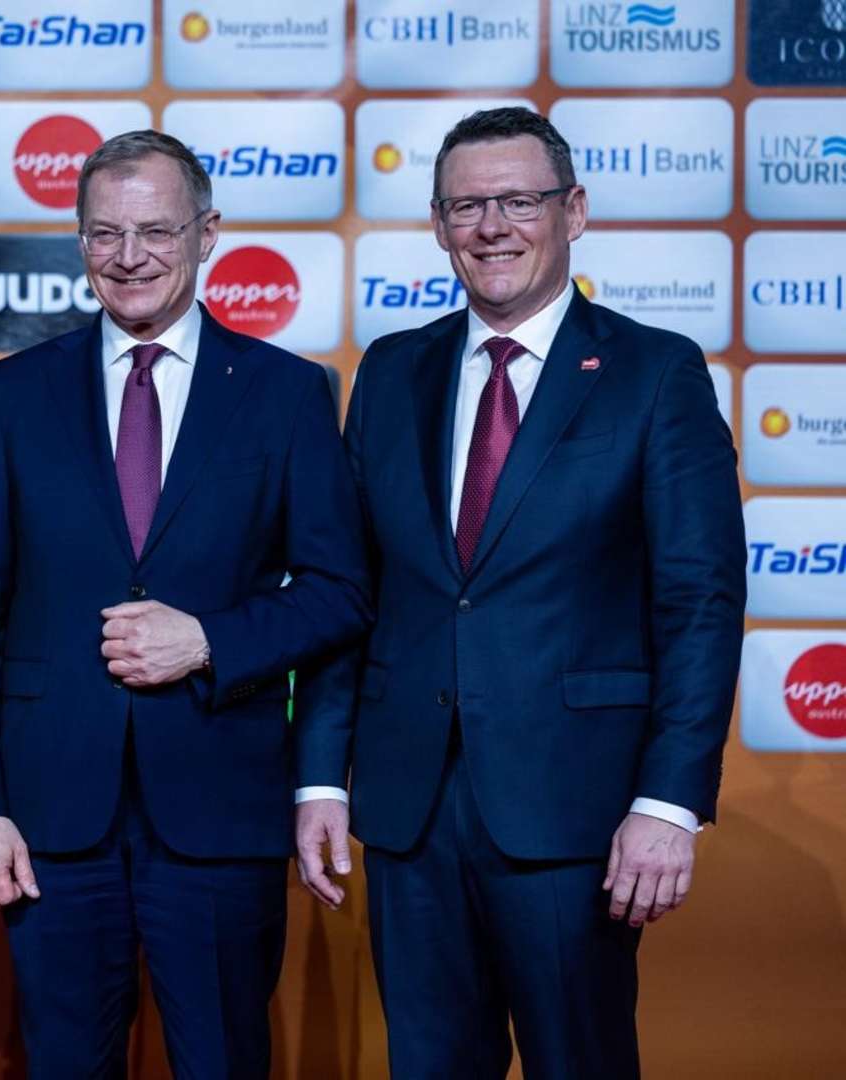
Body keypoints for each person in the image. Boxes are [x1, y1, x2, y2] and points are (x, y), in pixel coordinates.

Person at [294, 107, 746, 1078]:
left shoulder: (653, 372)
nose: (490, 227)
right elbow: (349, 593)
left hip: (576, 811)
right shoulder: (391, 371)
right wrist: (322, 775)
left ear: (572, 211)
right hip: (409, 808)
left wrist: (668, 801)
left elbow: (699, 603)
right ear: (437, 224)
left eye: (517, 201)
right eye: (464, 206)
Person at [0, 129, 372, 1078]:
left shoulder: (288, 393)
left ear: (207, 234)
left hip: (219, 810)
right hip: (47, 820)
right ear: (79, 241)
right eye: (104, 233)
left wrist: (209, 640)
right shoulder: (12, 393)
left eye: (156, 232)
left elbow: (340, 593)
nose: (128, 256)